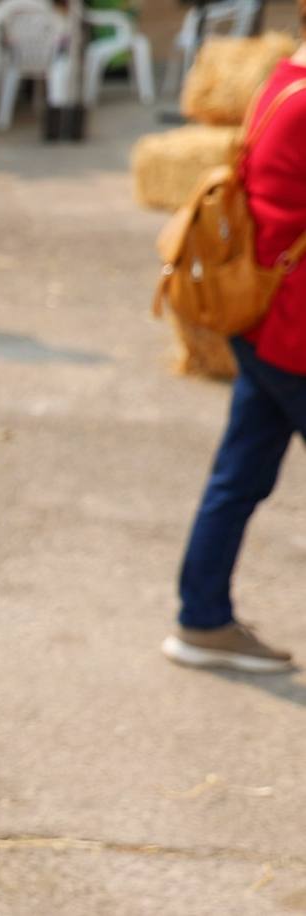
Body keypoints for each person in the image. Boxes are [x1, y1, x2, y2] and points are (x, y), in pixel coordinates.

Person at [162, 23, 306, 675]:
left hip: (263, 322)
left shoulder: (282, 79)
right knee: (238, 475)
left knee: (239, 475)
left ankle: (202, 617)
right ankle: (201, 618)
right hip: (295, 331)